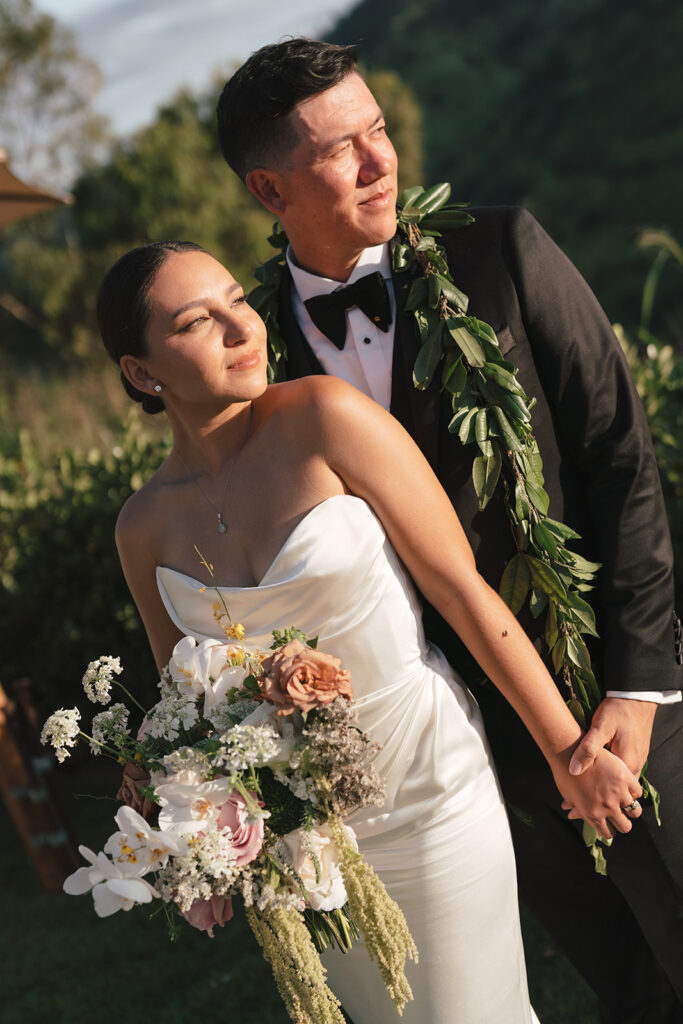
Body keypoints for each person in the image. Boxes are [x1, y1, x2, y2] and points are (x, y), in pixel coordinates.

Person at [215, 38, 683, 1021]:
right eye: (342, 151)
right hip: (457, 749)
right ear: (269, 188)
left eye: (377, 131)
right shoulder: (256, 370)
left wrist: (638, 689)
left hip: (617, 691)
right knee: (621, 981)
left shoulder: (502, 250)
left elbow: (616, 459)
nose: (380, 161)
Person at [99, 240, 643, 1024]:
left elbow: (460, 591)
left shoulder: (326, 416)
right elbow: (181, 701)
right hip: (302, 848)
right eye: (195, 320)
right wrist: (196, 830)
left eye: (235, 301)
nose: (237, 326)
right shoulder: (142, 528)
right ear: (143, 373)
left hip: (430, 790)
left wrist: (569, 755)